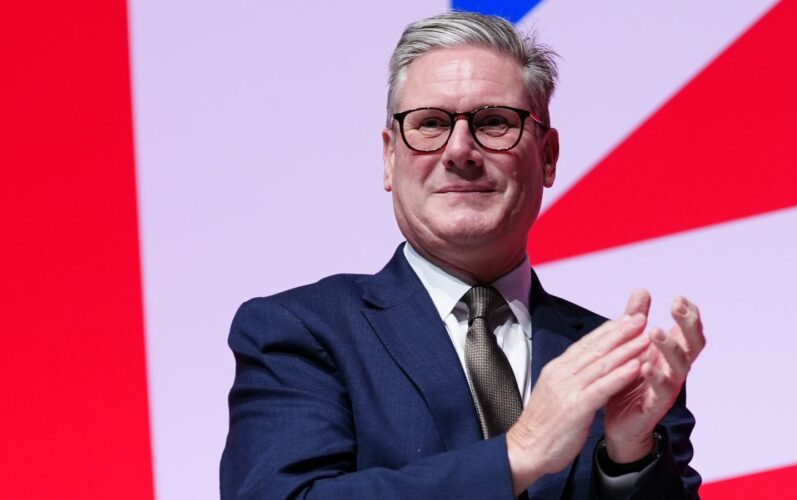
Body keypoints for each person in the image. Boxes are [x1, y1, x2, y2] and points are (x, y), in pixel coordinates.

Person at [221, 12, 704, 499]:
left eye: (494, 122)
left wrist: (631, 456)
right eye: (430, 123)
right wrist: (517, 454)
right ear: (390, 158)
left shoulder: (619, 363)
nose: (459, 149)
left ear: (549, 156)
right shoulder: (302, 331)